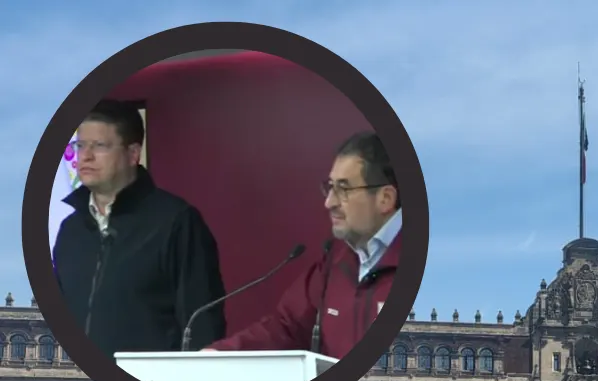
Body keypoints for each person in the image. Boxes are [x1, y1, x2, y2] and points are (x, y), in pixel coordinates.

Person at [203, 132, 400, 359]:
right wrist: (218, 355)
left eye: (344, 190)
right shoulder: (335, 260)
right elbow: (286, 328)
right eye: (330, 187)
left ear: (385, 198)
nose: (329, 203)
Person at [53, 98, 226, 356]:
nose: (85, 156)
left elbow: (202, 328)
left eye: (99, 146)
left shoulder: (176, 222)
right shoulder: (70, 231)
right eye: (80, 145)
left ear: (132, 154)